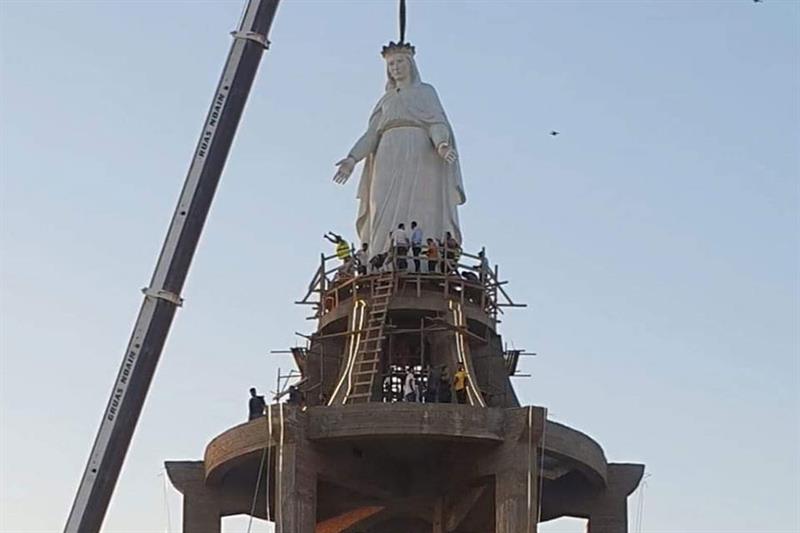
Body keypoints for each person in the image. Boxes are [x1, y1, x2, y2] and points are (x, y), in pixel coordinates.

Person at [332, 42, 465, 259]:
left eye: (400, 61)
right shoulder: (386, 100)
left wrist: (441, 144)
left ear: (410, 64)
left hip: (421, 153)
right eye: (391, 64)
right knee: (381, 204)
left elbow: (436, 123)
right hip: (387, 154)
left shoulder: (425, 92)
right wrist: (352, 159)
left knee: (423, 207)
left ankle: (422, 258)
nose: (395, 67)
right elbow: (371, 134)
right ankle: (380, 256)